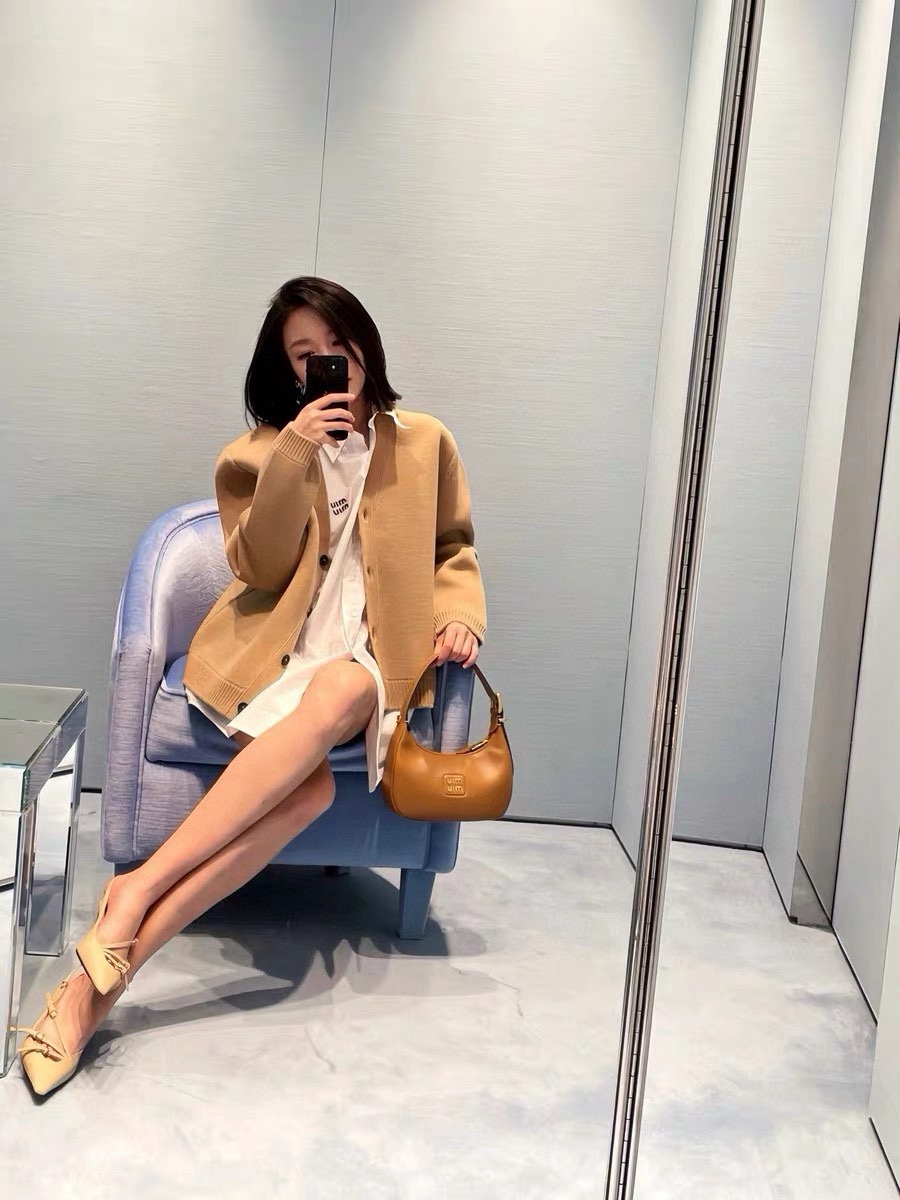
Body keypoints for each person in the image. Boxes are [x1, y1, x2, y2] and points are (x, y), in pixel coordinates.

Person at [15, 277, 487, 1095]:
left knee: (346, 691)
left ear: (366, 344)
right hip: (269, 657)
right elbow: (259, 568)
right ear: (286, 369)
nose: (327, 361)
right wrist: (295, 454)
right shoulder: (257, 455)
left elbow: (453, 548)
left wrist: (462, 613)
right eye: (305, 354)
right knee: (309, 796)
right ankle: (105, 976)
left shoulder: (426, 443)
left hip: (368, 660)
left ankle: (130, 901)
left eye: (337, 343)